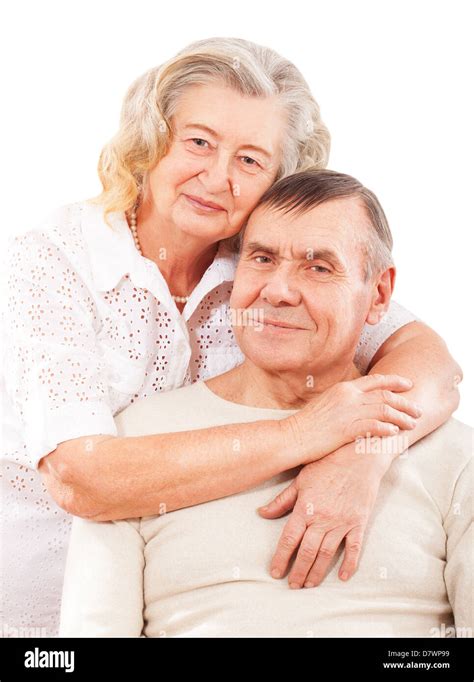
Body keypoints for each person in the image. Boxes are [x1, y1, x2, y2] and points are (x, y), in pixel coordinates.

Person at [1, 38, 461, 638]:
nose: (217, 178)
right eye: (198, 142)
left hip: (184, 593)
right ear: (149, 141)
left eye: (250, 160)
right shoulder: (53, 262)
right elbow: (82, 479)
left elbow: (431, 366)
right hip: (36, 615)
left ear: (279, 178)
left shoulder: (266, 266)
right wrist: (307, 433)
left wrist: (363, 454)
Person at [59, 169, 472, 638]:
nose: (277, 291)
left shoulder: (455, 456)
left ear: (378, 295)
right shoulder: (135, 443)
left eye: (318, 268)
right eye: (261, 258)